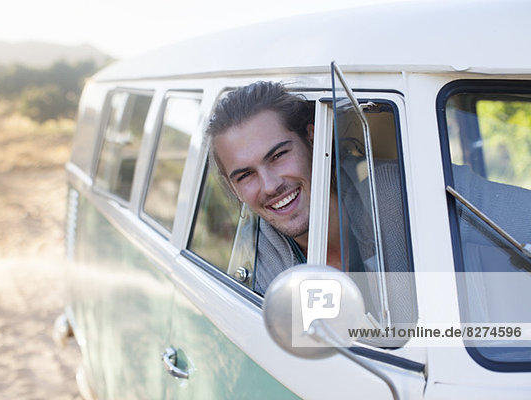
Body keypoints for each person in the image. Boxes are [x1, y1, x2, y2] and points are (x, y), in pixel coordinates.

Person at [205, 81, 531, 312]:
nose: (270, 184)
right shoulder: (256, 258)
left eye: (278, 155)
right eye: (245, 175)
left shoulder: (402, 193)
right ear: (233, 188)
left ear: (313, 138)